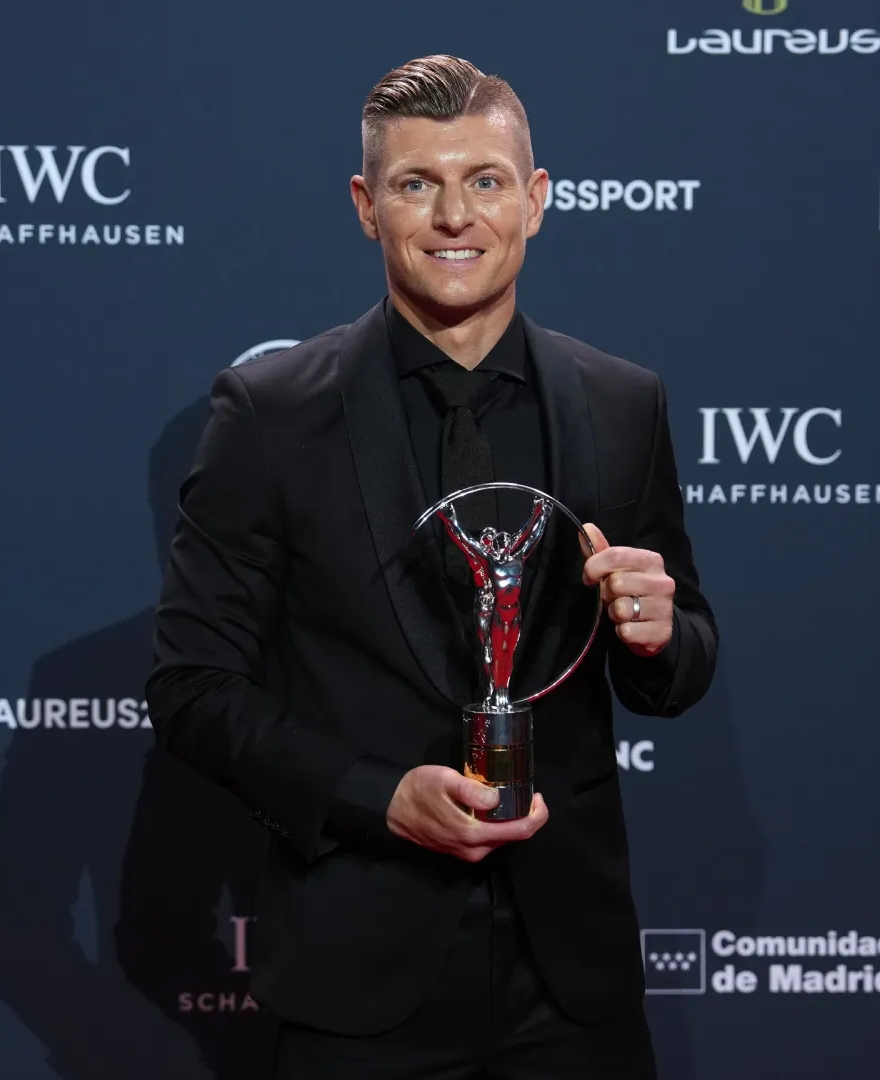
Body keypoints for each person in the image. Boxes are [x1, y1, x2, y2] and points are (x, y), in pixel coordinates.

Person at [148, 54, 717, 1079]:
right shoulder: (269, 415)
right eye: (418, 184)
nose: (456, 215)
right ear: (369, 207)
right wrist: (376, 796)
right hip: (356, 984)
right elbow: (192, 687)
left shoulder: (624, 403)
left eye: (486, 181)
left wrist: (661, 634)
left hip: (573, 985)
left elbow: (680, 663)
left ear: (536, 201)